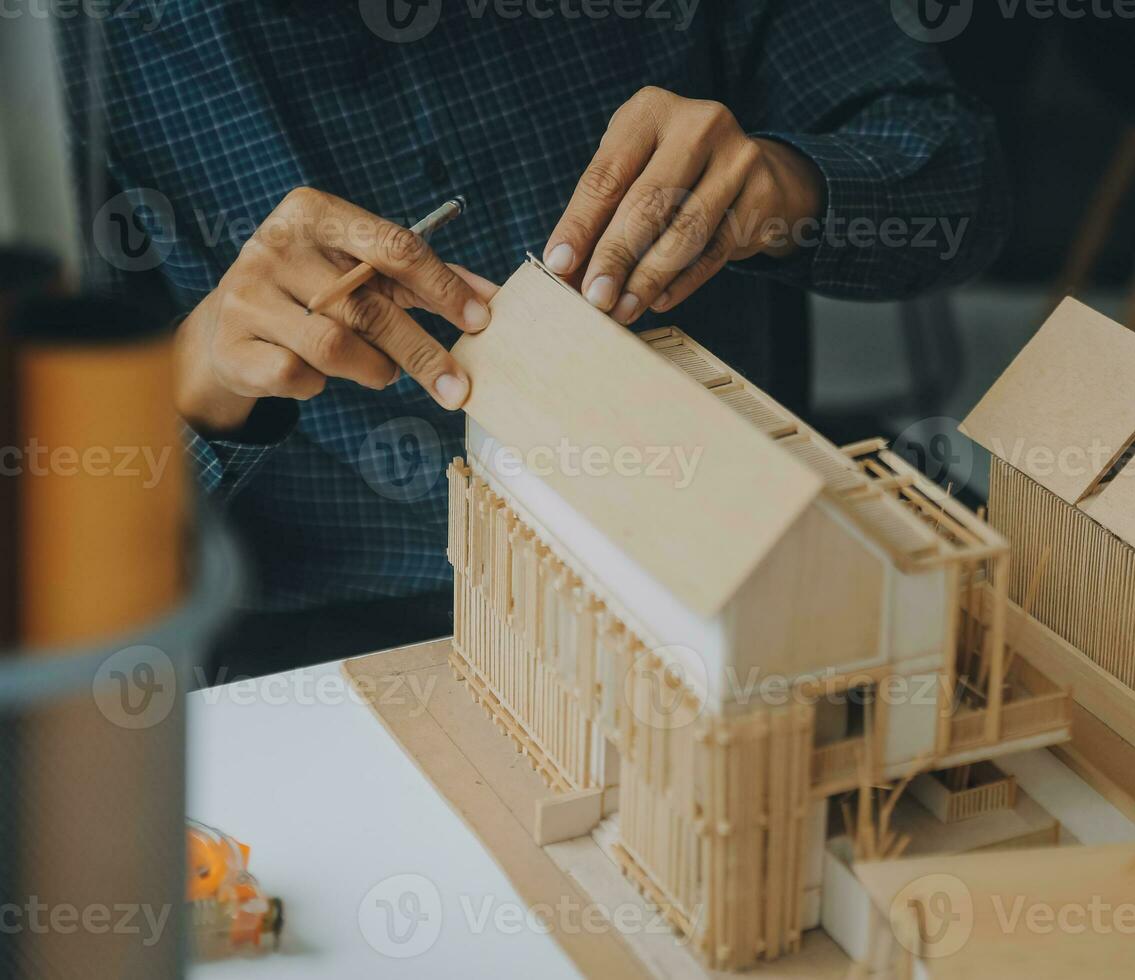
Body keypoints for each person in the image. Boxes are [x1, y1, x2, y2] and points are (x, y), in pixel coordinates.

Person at [59, 1, 1008, 672]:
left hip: (717, 568)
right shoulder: (71, 54)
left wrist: (786, 189)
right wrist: (195, 379)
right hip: (331, 631)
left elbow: (968, 186)